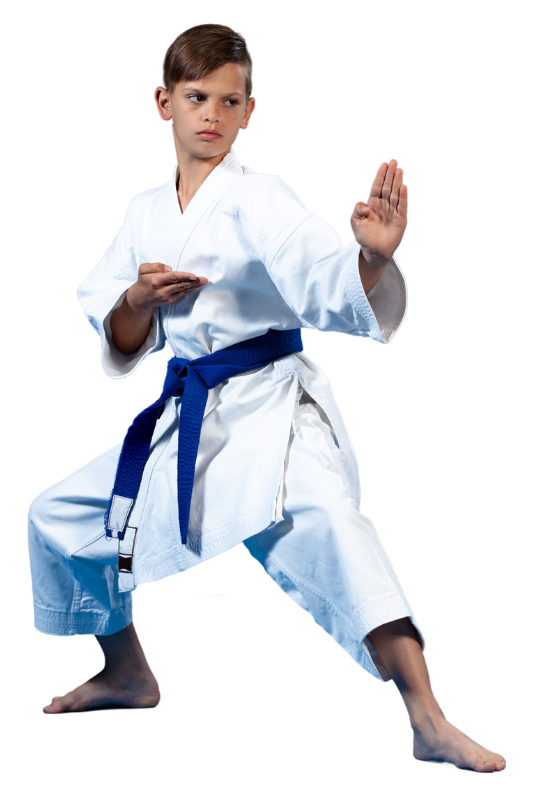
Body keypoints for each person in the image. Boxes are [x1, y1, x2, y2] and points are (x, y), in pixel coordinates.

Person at [28, 23, 506, 773]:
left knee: (340, 532)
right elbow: (116, 332)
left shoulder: (263, 199)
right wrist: (138, 297)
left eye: (229, 99)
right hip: (191, 418)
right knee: (59, 518)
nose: (211, 114)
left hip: (271, 414)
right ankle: (128, 672)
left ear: (250, 111)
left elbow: (323, 280)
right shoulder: (144, 211)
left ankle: (429, 720)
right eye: (196, 97)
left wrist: (371, 258)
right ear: (165, 104)